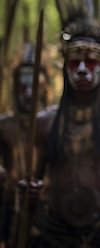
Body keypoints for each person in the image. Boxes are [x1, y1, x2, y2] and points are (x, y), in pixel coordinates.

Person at [30, 0, 100, 247]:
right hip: (53, 235)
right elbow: (32, 181)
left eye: (91, 61)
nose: (84, 70)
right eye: (75, 62)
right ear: (64, 67)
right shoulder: (44, 122)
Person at [0, 41, 50, 247]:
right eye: (24, 86)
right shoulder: (4, 125)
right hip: (10, 209)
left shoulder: (52, 123)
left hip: (47, 213)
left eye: (34, 86)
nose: (29, 93)